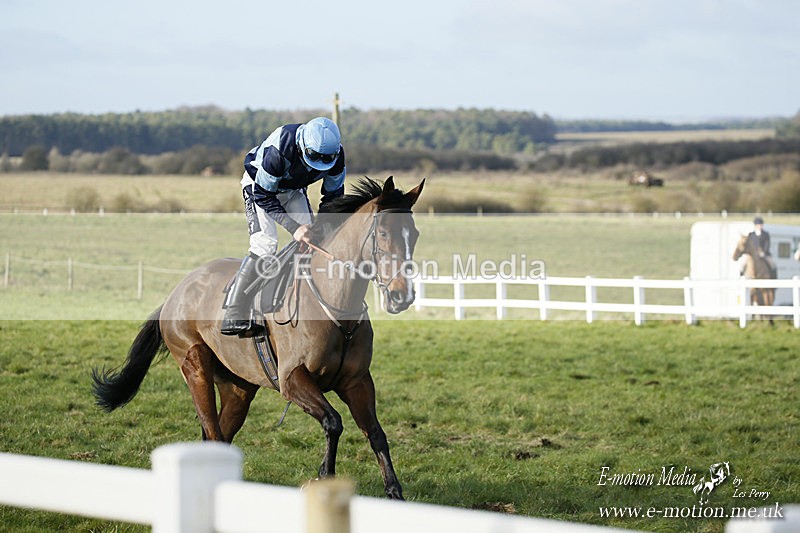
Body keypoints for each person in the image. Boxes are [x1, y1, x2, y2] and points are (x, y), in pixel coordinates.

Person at [221, 117, 346, 336]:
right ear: (303, 146)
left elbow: (333, 197)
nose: (317, 164)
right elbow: (263, 195)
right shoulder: (281, 148)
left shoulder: (336, 157)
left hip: (293, 190)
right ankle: (234, 310)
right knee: (265, 245)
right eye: (313, 158)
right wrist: (293, 227)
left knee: (314, 240)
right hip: (259, 188)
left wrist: (324, 227)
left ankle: (307, 302)